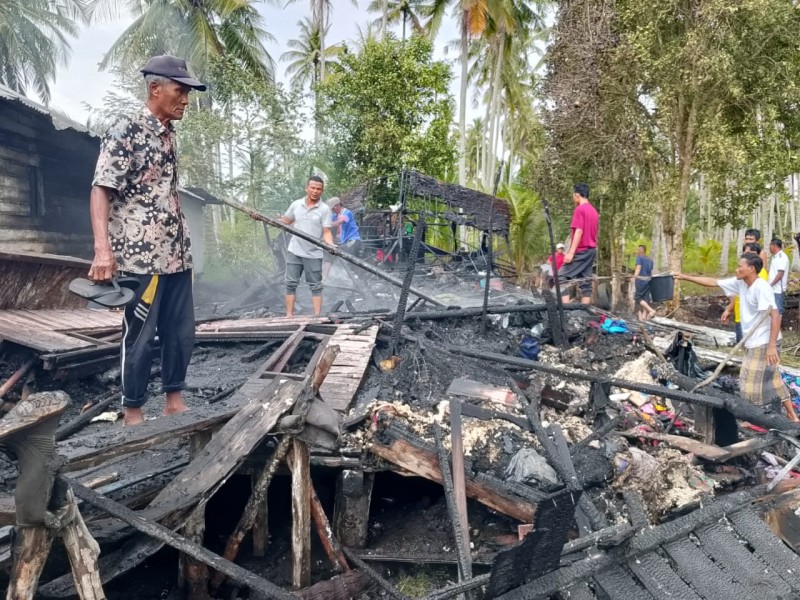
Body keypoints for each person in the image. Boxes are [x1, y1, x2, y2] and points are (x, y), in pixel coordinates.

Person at [88, 55, 206, 426]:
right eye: (180, 90)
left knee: (180, 331)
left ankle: (174, 399)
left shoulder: (168, 134)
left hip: (177, 254)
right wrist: (103, 250)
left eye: (187, 92)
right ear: (155, 88)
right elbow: (101, 190)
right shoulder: (127, 129)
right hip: (142, 258)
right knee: (140, 335)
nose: (185, 99)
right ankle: (133, 410)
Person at [676, 255, 798, 421]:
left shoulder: (761, 287)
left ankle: (756, 419)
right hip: (754, 341)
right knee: (774, 379)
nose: (736, 269)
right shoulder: (741, 282)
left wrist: (771, 346)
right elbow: (713, 282)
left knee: (749, 384)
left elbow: (776, 316)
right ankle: (792, 416)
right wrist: (685, 277)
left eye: (740, 266)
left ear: (751, 269)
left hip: (764, 342)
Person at [281, 176, 334, 317]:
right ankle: (289, 316)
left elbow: (327, 232)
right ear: (306, 188)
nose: (315, 191)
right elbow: (286, 221)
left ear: (322, 191)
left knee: (316, 286)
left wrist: (330, 245)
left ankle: (316, 316)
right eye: (313, 188)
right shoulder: (296, 205)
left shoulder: (324, 209)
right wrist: (265, 218)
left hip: (314, 253)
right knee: (290, 284)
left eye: (318, 189)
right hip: (295, 251)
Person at [559, 183, 599, 304]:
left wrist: (571, 252)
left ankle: (564, 309)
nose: (573, 199)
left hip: (581, 250)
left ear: (577, 195)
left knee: (560, 277)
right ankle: (584, 311)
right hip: (591, 250)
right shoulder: (594, 211)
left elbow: (579, 231)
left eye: (573, 196)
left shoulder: (580, 209)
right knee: (586, 281)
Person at [722, 242, 769, 342]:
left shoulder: (761, 278)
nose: (748, 255)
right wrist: (729, 310)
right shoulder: (742, 277)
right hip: (740, 316)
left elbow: (771, 312)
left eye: (751, 253)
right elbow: (737, 293)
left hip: (751, 321)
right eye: (746, 253)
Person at [633, 245, 656, 320]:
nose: (637, 251)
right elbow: (650, 271)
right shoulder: (650, 260)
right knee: (646, 299)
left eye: (638, 250)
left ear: (640, 250)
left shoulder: (639, 258)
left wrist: (634, 277)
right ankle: (644, 317)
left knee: (638, 298)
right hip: (648, 281)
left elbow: (638, 268)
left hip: (640, 280)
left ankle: (651, 311)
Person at [768, 238, 789, 314]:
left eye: (770, 245)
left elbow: (780, 273)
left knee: (778, 310)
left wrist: (771, 284)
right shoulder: (775, 257)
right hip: (773, 288)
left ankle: (779, 325)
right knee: (773, 309)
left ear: (774, 246)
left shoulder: (782, 257)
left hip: (778, 289)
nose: (769, 247)